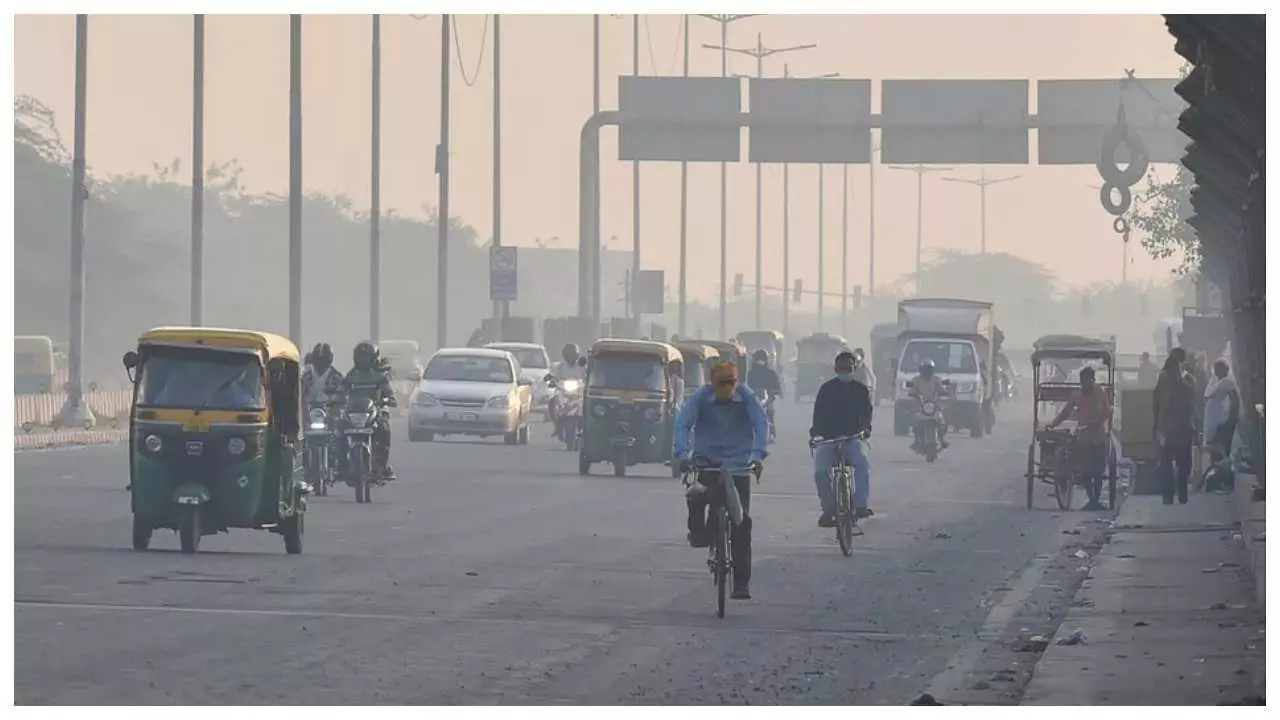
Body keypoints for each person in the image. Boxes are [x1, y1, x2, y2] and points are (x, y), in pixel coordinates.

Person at [673, 360, 769, 600]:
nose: (727, 388)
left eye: (731, 383)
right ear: (712, 384)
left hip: (738, 466)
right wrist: (682, 454)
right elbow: (682, 424)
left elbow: (761, 423)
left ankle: (741, 583)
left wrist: (757, 456)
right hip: (708, 461)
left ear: (737, 382)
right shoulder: (700, 398)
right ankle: (698, 532)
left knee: (742, 524)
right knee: (696, 495)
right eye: (722, 384)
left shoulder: (746, 396)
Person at [810, 350, 874, 527]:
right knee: (821, 472)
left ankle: (860, 505)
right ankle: (829, 509)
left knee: (862, 464)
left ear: (854, 369)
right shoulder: (826, 389)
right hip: (829, 439)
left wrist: (866, 429)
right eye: (842, 369)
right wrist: (815, 433)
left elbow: (867, 414)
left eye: (848, 368)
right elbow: (817, 415)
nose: (845, 372)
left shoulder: (861, 391)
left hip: (852, 438)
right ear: (835, 369)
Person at [1047, 366, 1113, 511]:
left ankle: (1095, 499)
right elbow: (1065, 412)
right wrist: (1052, 424)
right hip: (1083, 438)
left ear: (1092, 379)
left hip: (1098, 436)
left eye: (1087, 380)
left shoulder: (1100, 393)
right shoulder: (1076, 395)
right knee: (1085, 471)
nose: (1085, 384)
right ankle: (1092, 500)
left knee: (1098, 471)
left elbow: (1107, 411)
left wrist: (1097, 422)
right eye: (1083, 381)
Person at [343, 341, 398, 481]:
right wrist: (336, 398)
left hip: (376, 413)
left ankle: (382, 466)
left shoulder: (380, 377)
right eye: (361, 357)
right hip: (354, 414)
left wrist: (388, 400)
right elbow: (340, 391)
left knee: (384, 431)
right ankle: (342, 465)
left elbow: (389, 394)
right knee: (338, 434)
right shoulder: (350, 376)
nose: (364, 361)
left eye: (366, 357)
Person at [1154, 353, 1198, 504]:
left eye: (1176, 369)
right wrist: (1156, 428)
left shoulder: (1189, 381)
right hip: (1167, 429)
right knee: (1166, 464)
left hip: (1185, 428)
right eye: (1170, 370)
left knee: (1184, 464)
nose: (1173, 373)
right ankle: (1168, 495)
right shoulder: (1162, 382)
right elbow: (1157, 405)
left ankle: (1182, 492)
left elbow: (1193, 401)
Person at [908, 358, 950, 451]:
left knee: (942, 421)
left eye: (929, 369)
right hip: (921, 406)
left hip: (934, 405)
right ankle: (917, 440)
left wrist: (945, 392)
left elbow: (942, 389)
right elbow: (912, 390)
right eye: (925, 369)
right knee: (916, 422)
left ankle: (942, 439)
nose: (927, 372)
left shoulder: (936, 380)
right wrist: (914, 394)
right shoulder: (916, 380)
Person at [1204, 359, 1240, 463]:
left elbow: (1235, 401)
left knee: (1221, 447)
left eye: (1219, 369)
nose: (1216, 371)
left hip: (1222, 420)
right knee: (1213, 446)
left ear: (1225, 370)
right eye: (1215, 369)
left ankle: (1223, 471)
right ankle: (1215, 470)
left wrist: (1231, 419)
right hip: (1212, 420)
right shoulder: (1214, 381)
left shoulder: (1229, 382)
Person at [302, 343, 343, 414]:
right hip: (307, 410)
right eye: (319, 359)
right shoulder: (304, 373)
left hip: (328, 411)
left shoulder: (336, 376)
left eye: (324, 359)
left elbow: (342, 395)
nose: (321, 363)